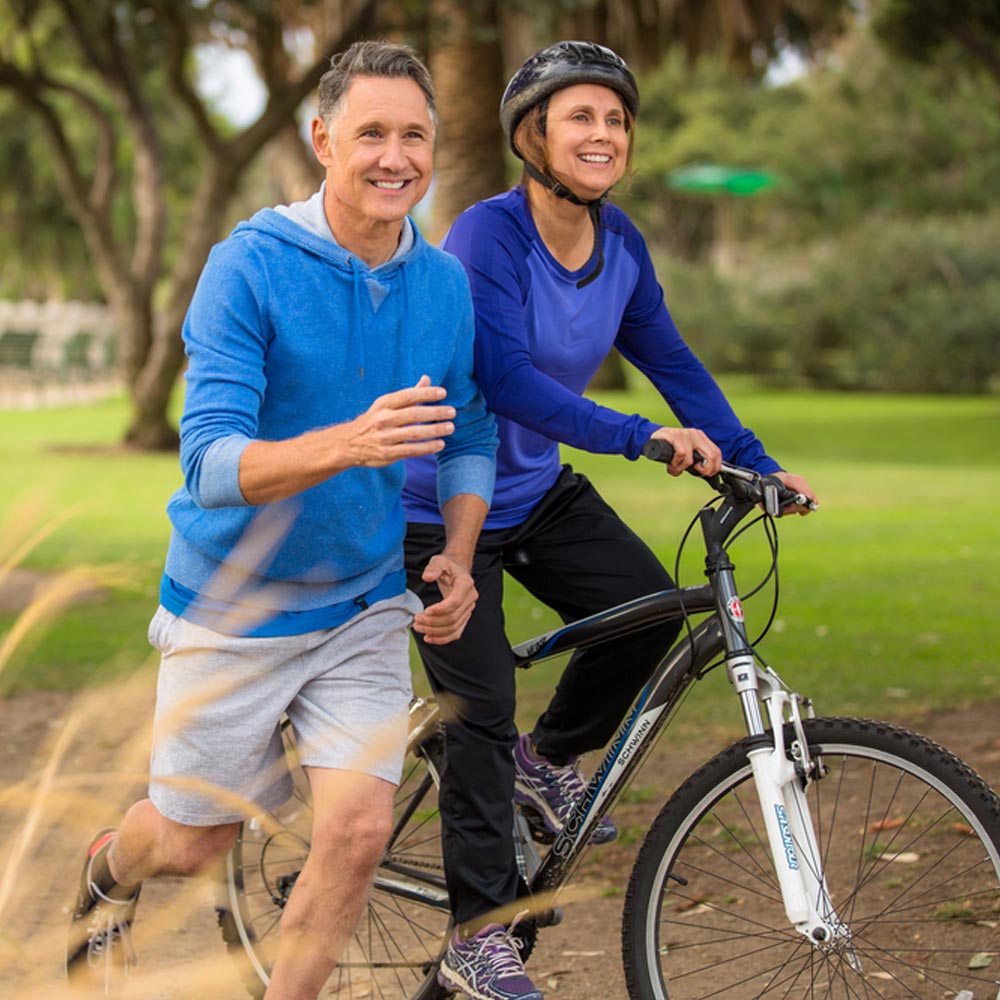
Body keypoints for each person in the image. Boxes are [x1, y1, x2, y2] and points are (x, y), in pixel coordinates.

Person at [65, 40, 497, 1000]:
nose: (396, 159)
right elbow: (209, 462)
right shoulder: (247, 267)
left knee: (356, 830)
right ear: (321, 140)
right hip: (234, 605)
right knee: (191, 841)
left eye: (415, 136)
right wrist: (351, 443)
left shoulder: (443, 285)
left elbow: (470, 429)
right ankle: (109, 864)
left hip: (363, 605)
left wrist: (460, 554)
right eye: (371, 134)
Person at [402, 40, 817, 1000]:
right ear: (531, 136)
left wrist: (755, 464)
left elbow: (672, 361)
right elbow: (502, 381)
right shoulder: (485, 236)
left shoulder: (620, 244)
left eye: (616, 119)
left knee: (649, 607)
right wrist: (640, 440)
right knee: (479, 708)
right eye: (580, 116)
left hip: (535, 491)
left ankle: (544, 762)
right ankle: (477, 932)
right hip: (434, 507)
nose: (603, 133)